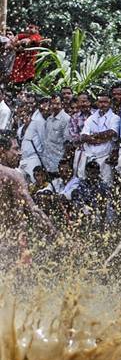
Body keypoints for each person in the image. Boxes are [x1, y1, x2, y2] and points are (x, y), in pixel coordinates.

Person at [0, 130, 55, 262]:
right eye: (16, 148)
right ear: (2, 151)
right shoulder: (13, 175)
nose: (20, 153)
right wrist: (54, 233)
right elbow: (32, 209)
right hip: (12, 243)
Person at [76, 92, 120, 185]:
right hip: (90, 156)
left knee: (106, 184)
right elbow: (83, 136)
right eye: (100, 102)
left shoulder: (115, 118)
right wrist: (100, 138)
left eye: (105, 102)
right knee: (86, 184)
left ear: (110, 103)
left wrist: (93, 136)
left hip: (105, 156)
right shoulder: (91, 118)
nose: (102, 104)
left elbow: (111, 133)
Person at [19, 98, 49, 182]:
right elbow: (20, 134)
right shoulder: (32, 119)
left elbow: (44, 141)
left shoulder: (39, 120)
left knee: (34, 182)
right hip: (24, 158)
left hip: (34, 157)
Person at [43, 93, 71, 174]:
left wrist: (64, 162)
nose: (55, 106)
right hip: (47, 160)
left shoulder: (66, 119)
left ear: (62, 104)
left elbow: (67, 142)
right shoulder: (49, 119)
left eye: (57, 103)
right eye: (53, 104)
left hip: (58, 161)